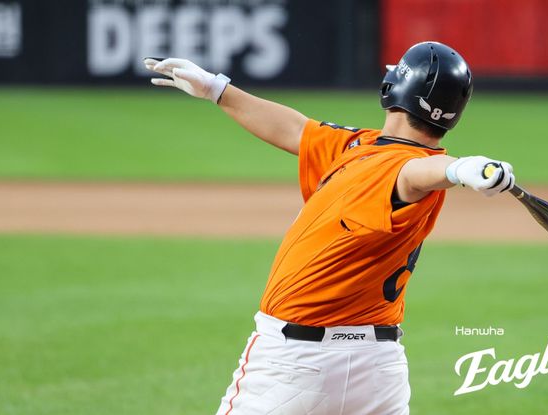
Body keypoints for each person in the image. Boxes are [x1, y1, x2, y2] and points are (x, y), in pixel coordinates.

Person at [145, 41, 514, 415]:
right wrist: (216, 89)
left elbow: (416, 173)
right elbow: (294, 129)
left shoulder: (403, 167)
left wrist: (456, 168)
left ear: (394, 88)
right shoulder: (362, 146)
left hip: (295, 365)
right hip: (378, 371)